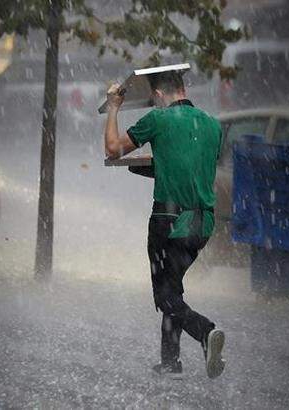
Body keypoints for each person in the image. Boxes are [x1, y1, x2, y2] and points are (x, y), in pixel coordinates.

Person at [103, 70, 225, 379]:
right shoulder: (212, 125)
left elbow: (112, 149)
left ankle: (205, 331)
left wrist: (114, 107)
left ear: (158, 96)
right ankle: (170, 362)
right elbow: (191, 167)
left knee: (165, 296)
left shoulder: (158, 119)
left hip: (169, 221)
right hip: (202, 224)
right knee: (173, 288)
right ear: (183, 88)